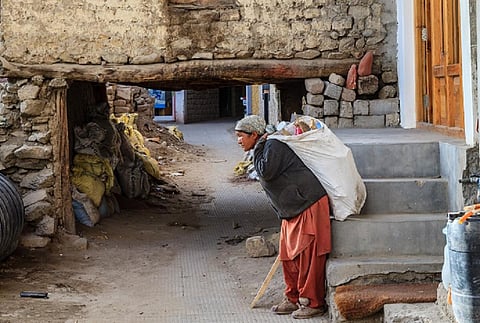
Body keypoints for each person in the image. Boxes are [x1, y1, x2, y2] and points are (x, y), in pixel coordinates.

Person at [234, 115, 331, 319]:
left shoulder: (272, 146)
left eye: (241, 136)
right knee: (288, 256)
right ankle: (293, 297)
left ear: (254, 134)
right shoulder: (265, 146)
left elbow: (265, 171)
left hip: (308, 203)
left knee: (308, 257)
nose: (238, 140)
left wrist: (259, 146)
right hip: (291, 210)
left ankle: (313, 302)